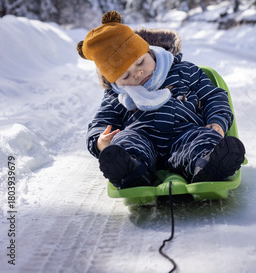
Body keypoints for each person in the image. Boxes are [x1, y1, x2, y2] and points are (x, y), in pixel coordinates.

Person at [78, 11, 245, 190]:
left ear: (150, 52)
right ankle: (131, 170)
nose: (137, 73)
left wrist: (217, 121)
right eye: (125, 75)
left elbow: (213, 96)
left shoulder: (185, 72)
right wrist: (99, 141)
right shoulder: (117, 94)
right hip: (142, 137)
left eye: (141, 62)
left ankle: (209, 164)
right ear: (114, 81)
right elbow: (102, 120)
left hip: (185, 134)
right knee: (125, 141)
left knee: (203, 138)